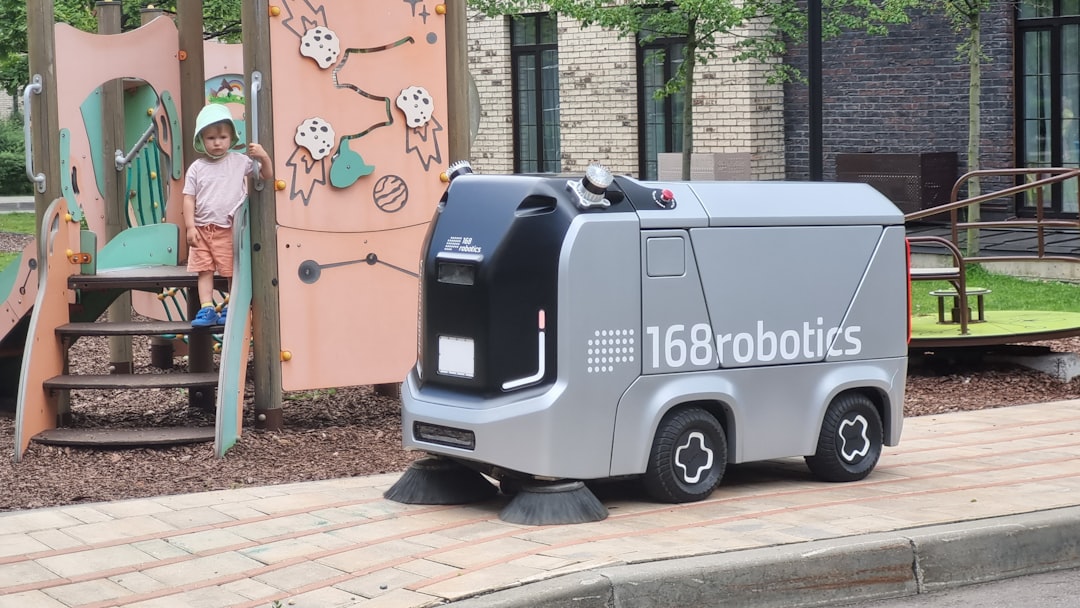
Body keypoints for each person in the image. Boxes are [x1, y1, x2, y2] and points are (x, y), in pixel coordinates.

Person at [183, 104, 272, 327]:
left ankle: (232, 307)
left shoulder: (239, 161)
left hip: (228, 228)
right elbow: (189, 198)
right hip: (202, 229)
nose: (217, 142)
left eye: (222, 137)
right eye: (211, 137)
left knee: (231, 271)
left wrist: (264, 157)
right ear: (201, 139)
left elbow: (266, 175)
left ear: (231, 138)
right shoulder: (197, 167)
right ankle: (206, 309)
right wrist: (190, 227)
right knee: (204, 269)